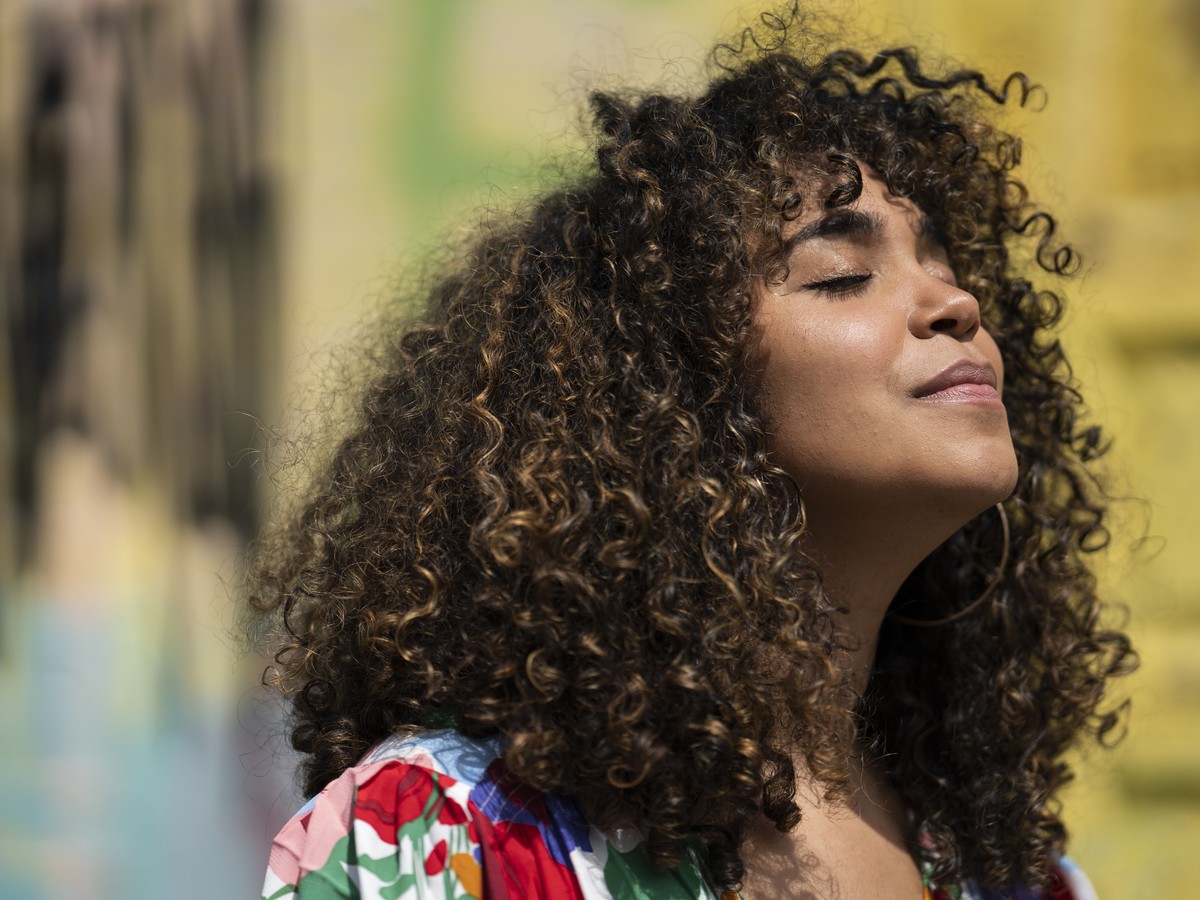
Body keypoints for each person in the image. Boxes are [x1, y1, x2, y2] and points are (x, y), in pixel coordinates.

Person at [248, 7, 1134, 898]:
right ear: (671, 384)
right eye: (840, 275)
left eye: (944, 264)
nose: (954, 304)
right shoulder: (444, 841)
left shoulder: (1022, 881)